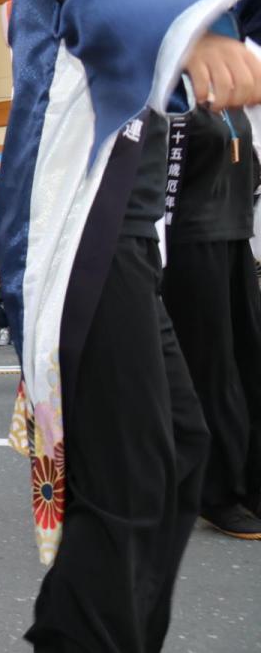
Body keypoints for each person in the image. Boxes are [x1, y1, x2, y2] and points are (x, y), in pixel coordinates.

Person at [0, 0, 260, 648]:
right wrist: (200, 31)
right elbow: (113, 3)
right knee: (132, 476)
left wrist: (210, 20)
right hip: (81, 244)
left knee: (179, 447)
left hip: (133, 249)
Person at [161, 101, 261, 538]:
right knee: (212, 371)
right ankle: (217, 492)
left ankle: (252, 482)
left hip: (236, 237)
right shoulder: (172, 99)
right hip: (191, 243)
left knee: (251, 364)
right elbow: (160, 186)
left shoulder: (234, 99)